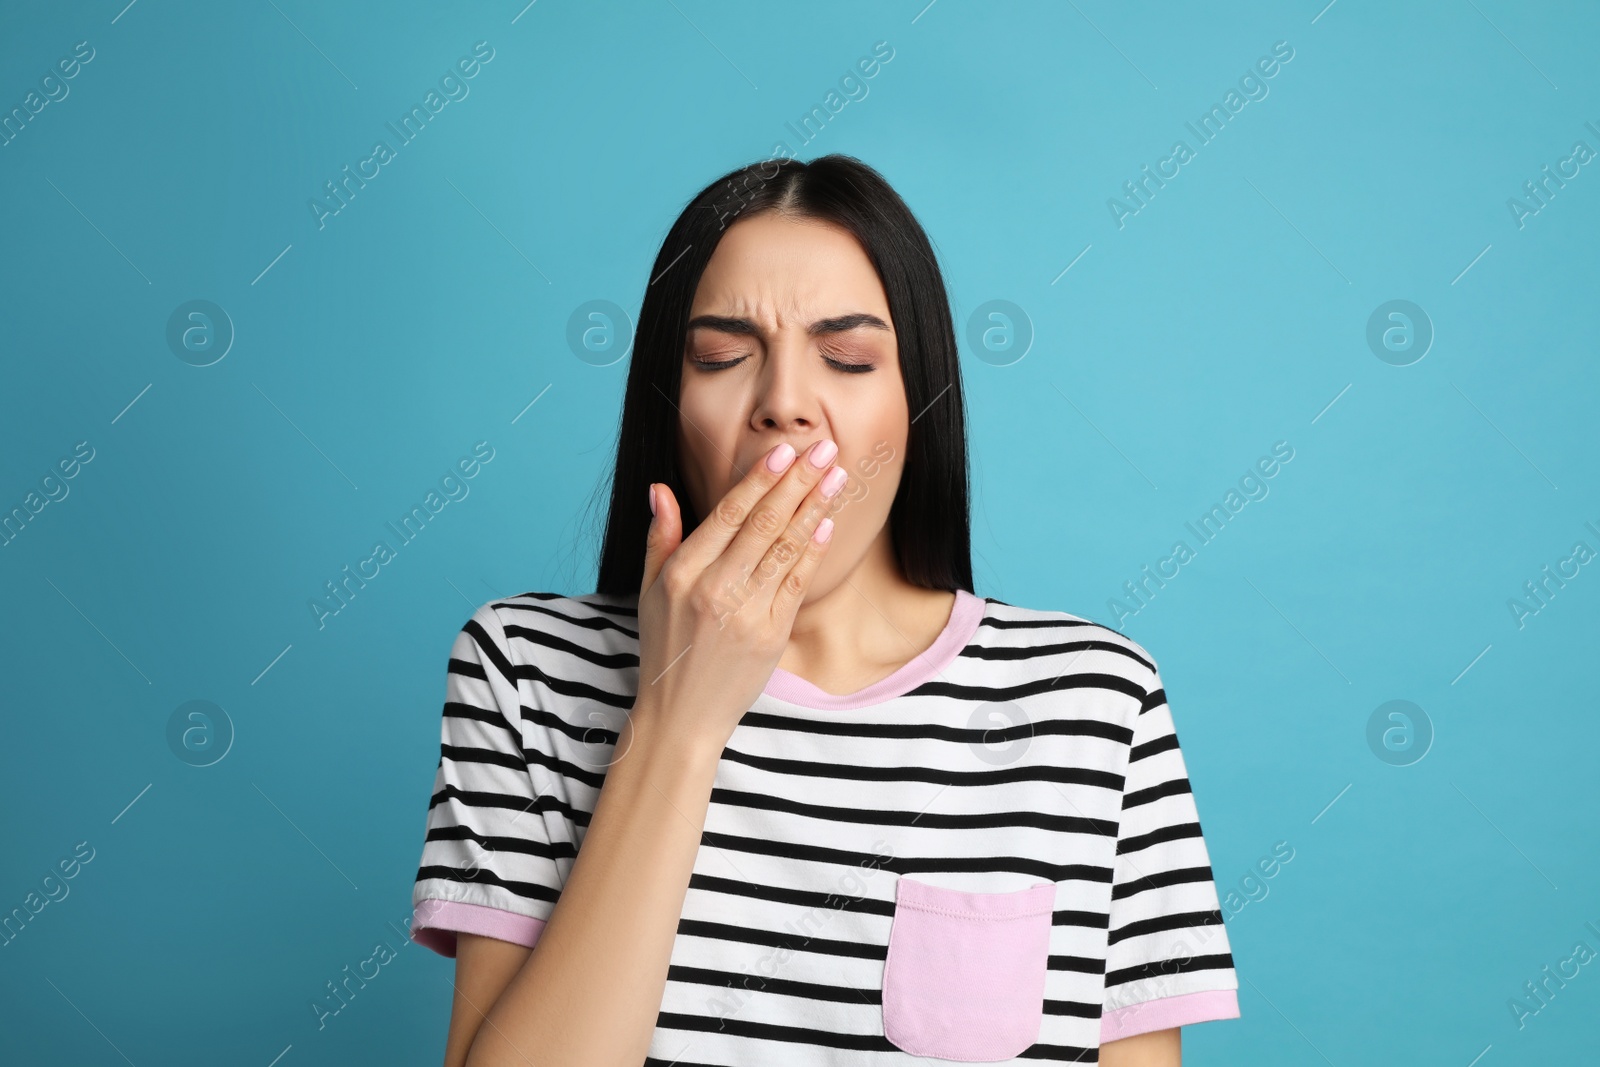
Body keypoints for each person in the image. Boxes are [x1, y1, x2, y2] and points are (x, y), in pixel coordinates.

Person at [408, 154, 1239, 1066]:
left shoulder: (1096, 704)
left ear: (917, 404)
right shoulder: (528, 672)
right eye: (724, 357)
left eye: (846, 358)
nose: (784, 406)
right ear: (667, 400)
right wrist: (679, 717)